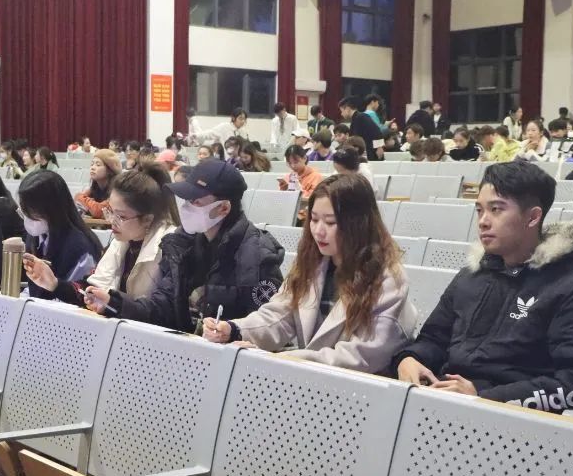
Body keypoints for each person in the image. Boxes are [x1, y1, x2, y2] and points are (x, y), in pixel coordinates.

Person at [393, 161, 573, 413]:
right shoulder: (472, 275)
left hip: (513, 422)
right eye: (479, 210)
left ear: (533, 217)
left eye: (496, 209)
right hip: (444, 403)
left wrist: (484, 398)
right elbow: (434, 338)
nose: (483, 221)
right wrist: (410, 359)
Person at [204, 173, 415, 371]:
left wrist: (284, 359)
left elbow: (361, 356)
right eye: (314, 219)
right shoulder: (312, 262)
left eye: (331, 222)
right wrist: (234, 330)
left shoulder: (387, 279)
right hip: (308, 375)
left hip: (358, 388)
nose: (319, 231)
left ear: (358, 225)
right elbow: (280, 316)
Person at [85, 160, 284, 333]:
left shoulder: (258, 256)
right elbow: (163, 307)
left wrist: (230, 333)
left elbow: (262, 328)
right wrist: (115, 303)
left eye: (195, 202)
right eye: (186, 200)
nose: (186, 207)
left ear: (223, 208)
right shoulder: (182, 243)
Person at [26, 163, 180, 306]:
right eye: (110, 211)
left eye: (121, 216)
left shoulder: (170, 249)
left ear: (147, 219)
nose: (111, 221)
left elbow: (161, 311)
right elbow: (90, 290)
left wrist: (113, 304)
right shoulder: (121, 242)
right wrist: (54, 284)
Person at [18, 170, 103, 298]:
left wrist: (54, 285)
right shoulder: (36, 236)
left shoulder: (80, 247)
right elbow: (33, 288)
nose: (28, 219)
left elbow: (82, 296)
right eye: (24, 212)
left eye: (32, 212)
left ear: (52, 209)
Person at [75, 149, 122, 219]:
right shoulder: (94, 188)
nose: (92, 168)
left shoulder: (117, 190)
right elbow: (77, 198)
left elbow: (98, 211)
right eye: (92, 164)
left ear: (110, 170)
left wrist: (84, 201)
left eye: (98, 165)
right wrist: (83, 199)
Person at [339, 96, 383, 161]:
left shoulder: (361, 117)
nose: (341, 114)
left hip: (370, 154)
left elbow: (377, 132)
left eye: (342, 111)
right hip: (364, 154)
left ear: (347, 109)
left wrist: (379, 147)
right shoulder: (356, 119)